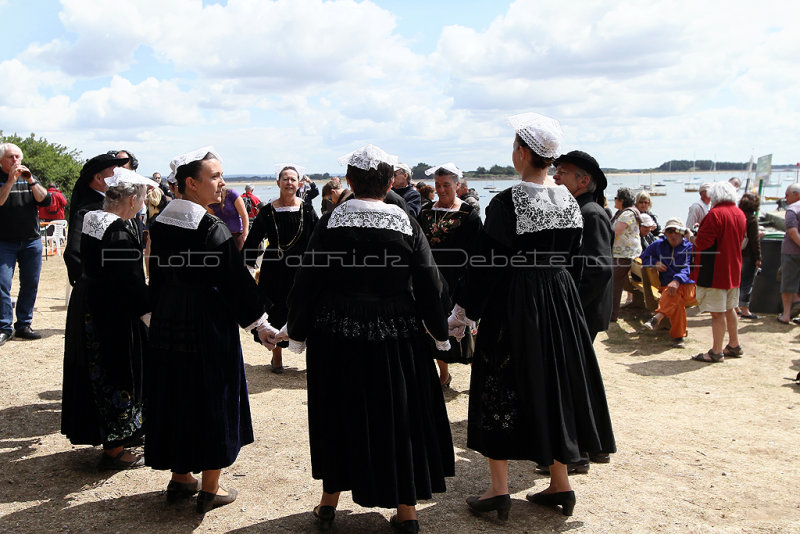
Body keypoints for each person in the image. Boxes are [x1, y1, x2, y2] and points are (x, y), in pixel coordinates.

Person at [449, 113, 615, 519]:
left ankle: (499, 490)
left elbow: (487, 263)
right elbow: (574, 259)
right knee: (553, 384)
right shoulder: (570, 203)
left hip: (516, 300)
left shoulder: (506, 202)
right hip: (560, 302)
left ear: (522, 153)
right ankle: (560, 484)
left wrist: (464, 310)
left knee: (500, 383)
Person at [283, 144, 455, 533]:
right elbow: (430, 284)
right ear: (390, 181)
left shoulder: (330, 221)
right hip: (396, 333)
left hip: (337, 333)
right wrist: (440, 333)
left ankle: (329, 503)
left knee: (341, 412)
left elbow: (306, 281)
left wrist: (298, 330)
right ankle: (406, 511)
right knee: (398, 414)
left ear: (349, 181)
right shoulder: (406, 223)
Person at [144, 147, 276, 513]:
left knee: (175, 393)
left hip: (169, 320)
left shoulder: (160, 223)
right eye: (215, 176)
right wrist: (260, 325)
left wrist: (153, 315)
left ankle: (181, 476)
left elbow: (155, 274)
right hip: (206, 323)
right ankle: (210, 488)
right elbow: (235, 283)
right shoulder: (210, 227)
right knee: (211, 395)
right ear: (191, 183)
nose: (222, 183)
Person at [61, 168, 155, 469]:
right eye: (141, 199)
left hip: (90, 301)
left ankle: (118, 437)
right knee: (115, 370)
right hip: (111, 311)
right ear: (130, 199)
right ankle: (115, 449)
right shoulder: (117, 230)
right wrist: (150, 315)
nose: (142, 204)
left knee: (95, 370)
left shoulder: (91, 218)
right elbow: (128, 279)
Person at [242, 164, 318, 374]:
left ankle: (311, 358)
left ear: (299, 183)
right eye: (285, 179)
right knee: (275, 310)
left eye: (293, 179)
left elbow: (317, 239)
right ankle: (276, 354)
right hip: (274, 269)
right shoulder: (267, 211)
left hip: (301, 270)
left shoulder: (308, 209)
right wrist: (247, 265)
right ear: (278, 183)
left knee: (304, 309)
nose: (289, 183)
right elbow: (254, 239)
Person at [417, 162, 483, 387]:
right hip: (432, 280)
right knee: (433, 329)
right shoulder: (425, 211)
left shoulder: (468, 214)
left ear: (457, 185)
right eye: (437, 185)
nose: (441, 189)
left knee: (467, 334)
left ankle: (479, 379)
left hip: (459, 281)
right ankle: (443, 374)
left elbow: (477, 252)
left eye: (446, 185)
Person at [552, 150, 613, 342]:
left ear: (584, 181)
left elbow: (598, 270)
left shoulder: (591, 213)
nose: (555, 176)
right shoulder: (576, 210)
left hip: (580, 313)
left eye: (562, 172)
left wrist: (570, 307)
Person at [0, 143, 52, 345]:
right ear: (2, 161)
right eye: (10, 157)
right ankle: (4, 326)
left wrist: (30, 179)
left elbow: (45, 200)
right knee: (2, 284)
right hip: (4, 242)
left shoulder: (29, 177)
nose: (15, 161)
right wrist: (10, 181)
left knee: (30, 284)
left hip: (31, 240)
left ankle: (23, 324)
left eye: (17, 157)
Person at [690, 181, 746, 362]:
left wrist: (690, 236)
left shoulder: (714, 214)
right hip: (733, 268)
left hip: (715, 271)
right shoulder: (739, 213)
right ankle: (734, 344)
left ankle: (716, 351)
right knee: (731, 308)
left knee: (717, 313)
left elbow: (702, 242)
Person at [65, 154, 131, 286]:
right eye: (113, 173)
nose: (118, 177)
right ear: (99, 178)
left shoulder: (109, 204)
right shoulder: (88, 211)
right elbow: (73, 254)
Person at [641, 217, 696, 348]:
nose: (672, 234)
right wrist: (655, 263)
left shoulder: (689, 247)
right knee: (675, 297)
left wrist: (677, 280)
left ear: (682, 233)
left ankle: (658, 317)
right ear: (665, 233)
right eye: (669, 231)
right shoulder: (659, 244)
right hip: (668, 287)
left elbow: (687, 267)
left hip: (687, 286)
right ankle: (678, 337)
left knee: (676, 290)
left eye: (676, 231)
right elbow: (644, 257)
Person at [609, 187, 641, 321]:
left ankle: (612, 315)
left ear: (622, 200)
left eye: (616, 198)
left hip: (625, 255)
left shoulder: (627, 214)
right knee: (614, 284)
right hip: (622, 254)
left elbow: (615, 231)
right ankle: (611, 313)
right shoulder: (624, 213)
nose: (614, 201)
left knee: (614, 285)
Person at [778, 184, 800, 324]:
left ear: (796, 194)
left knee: (787, 283)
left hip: (792, 252)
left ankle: (786, 314)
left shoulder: (792, 210)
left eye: (787, 195)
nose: (785, 198)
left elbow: (792, 231)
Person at [738, 193, 762, 320]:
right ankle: (745, 309)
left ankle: (735, 306)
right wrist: (758, 257)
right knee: (747, 282)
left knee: (737, 282)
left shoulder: (738, 216)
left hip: (737, 254)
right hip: (748, 255)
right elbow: (754, 240)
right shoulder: (752, 219)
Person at [209, 185, 249, 250]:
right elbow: (212, 219)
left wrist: (245, 234)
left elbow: (244, 215)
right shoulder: (210, 197)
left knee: (238, 258)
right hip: (221, 236)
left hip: (237, 235)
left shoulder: (231, 194)